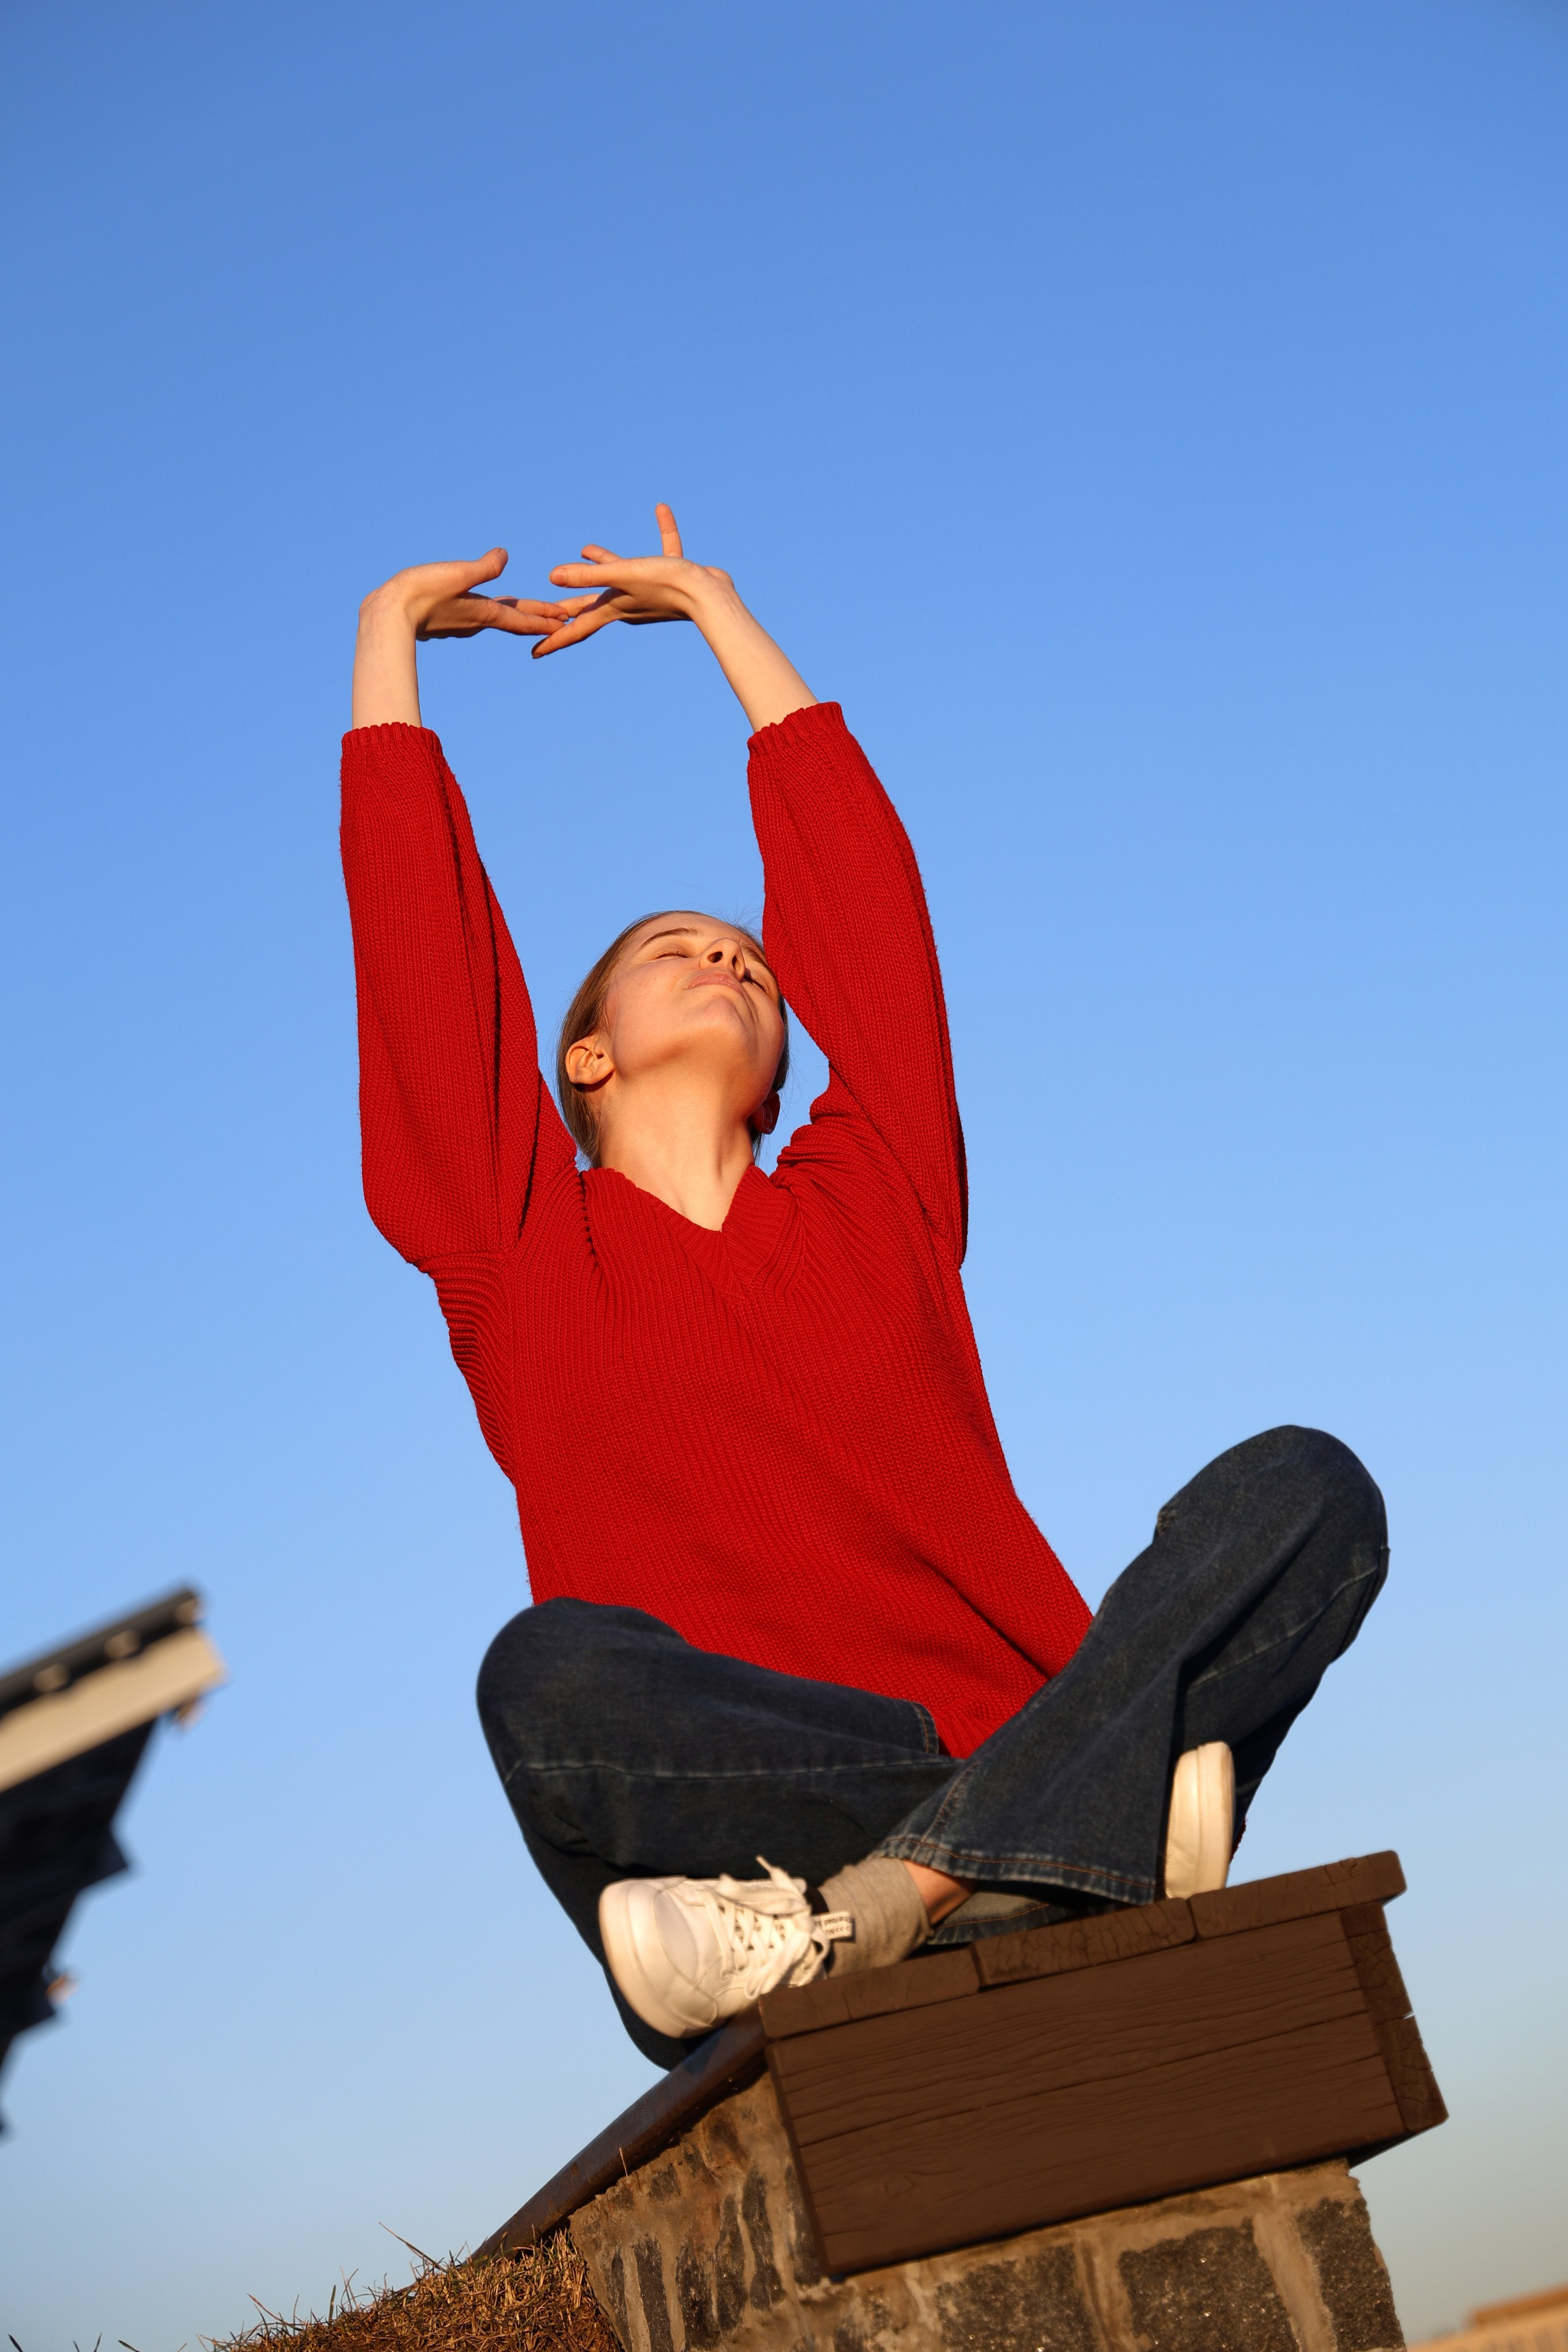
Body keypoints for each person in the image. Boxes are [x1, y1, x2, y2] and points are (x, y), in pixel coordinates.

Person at [341, 507, 1389, 2068]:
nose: (731, 960)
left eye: (753, 960)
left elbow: (871, 922)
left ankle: (907, 1895)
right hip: (743, 1843)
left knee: (1307, 1488)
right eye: (677, 949)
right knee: (543, 1677)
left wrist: (716, 612)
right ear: (586, 1055)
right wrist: (384, 655)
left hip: (867, 1852)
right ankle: (1054, 1840)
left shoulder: (874, 1194)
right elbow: (428, 985)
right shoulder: (515, 1251)